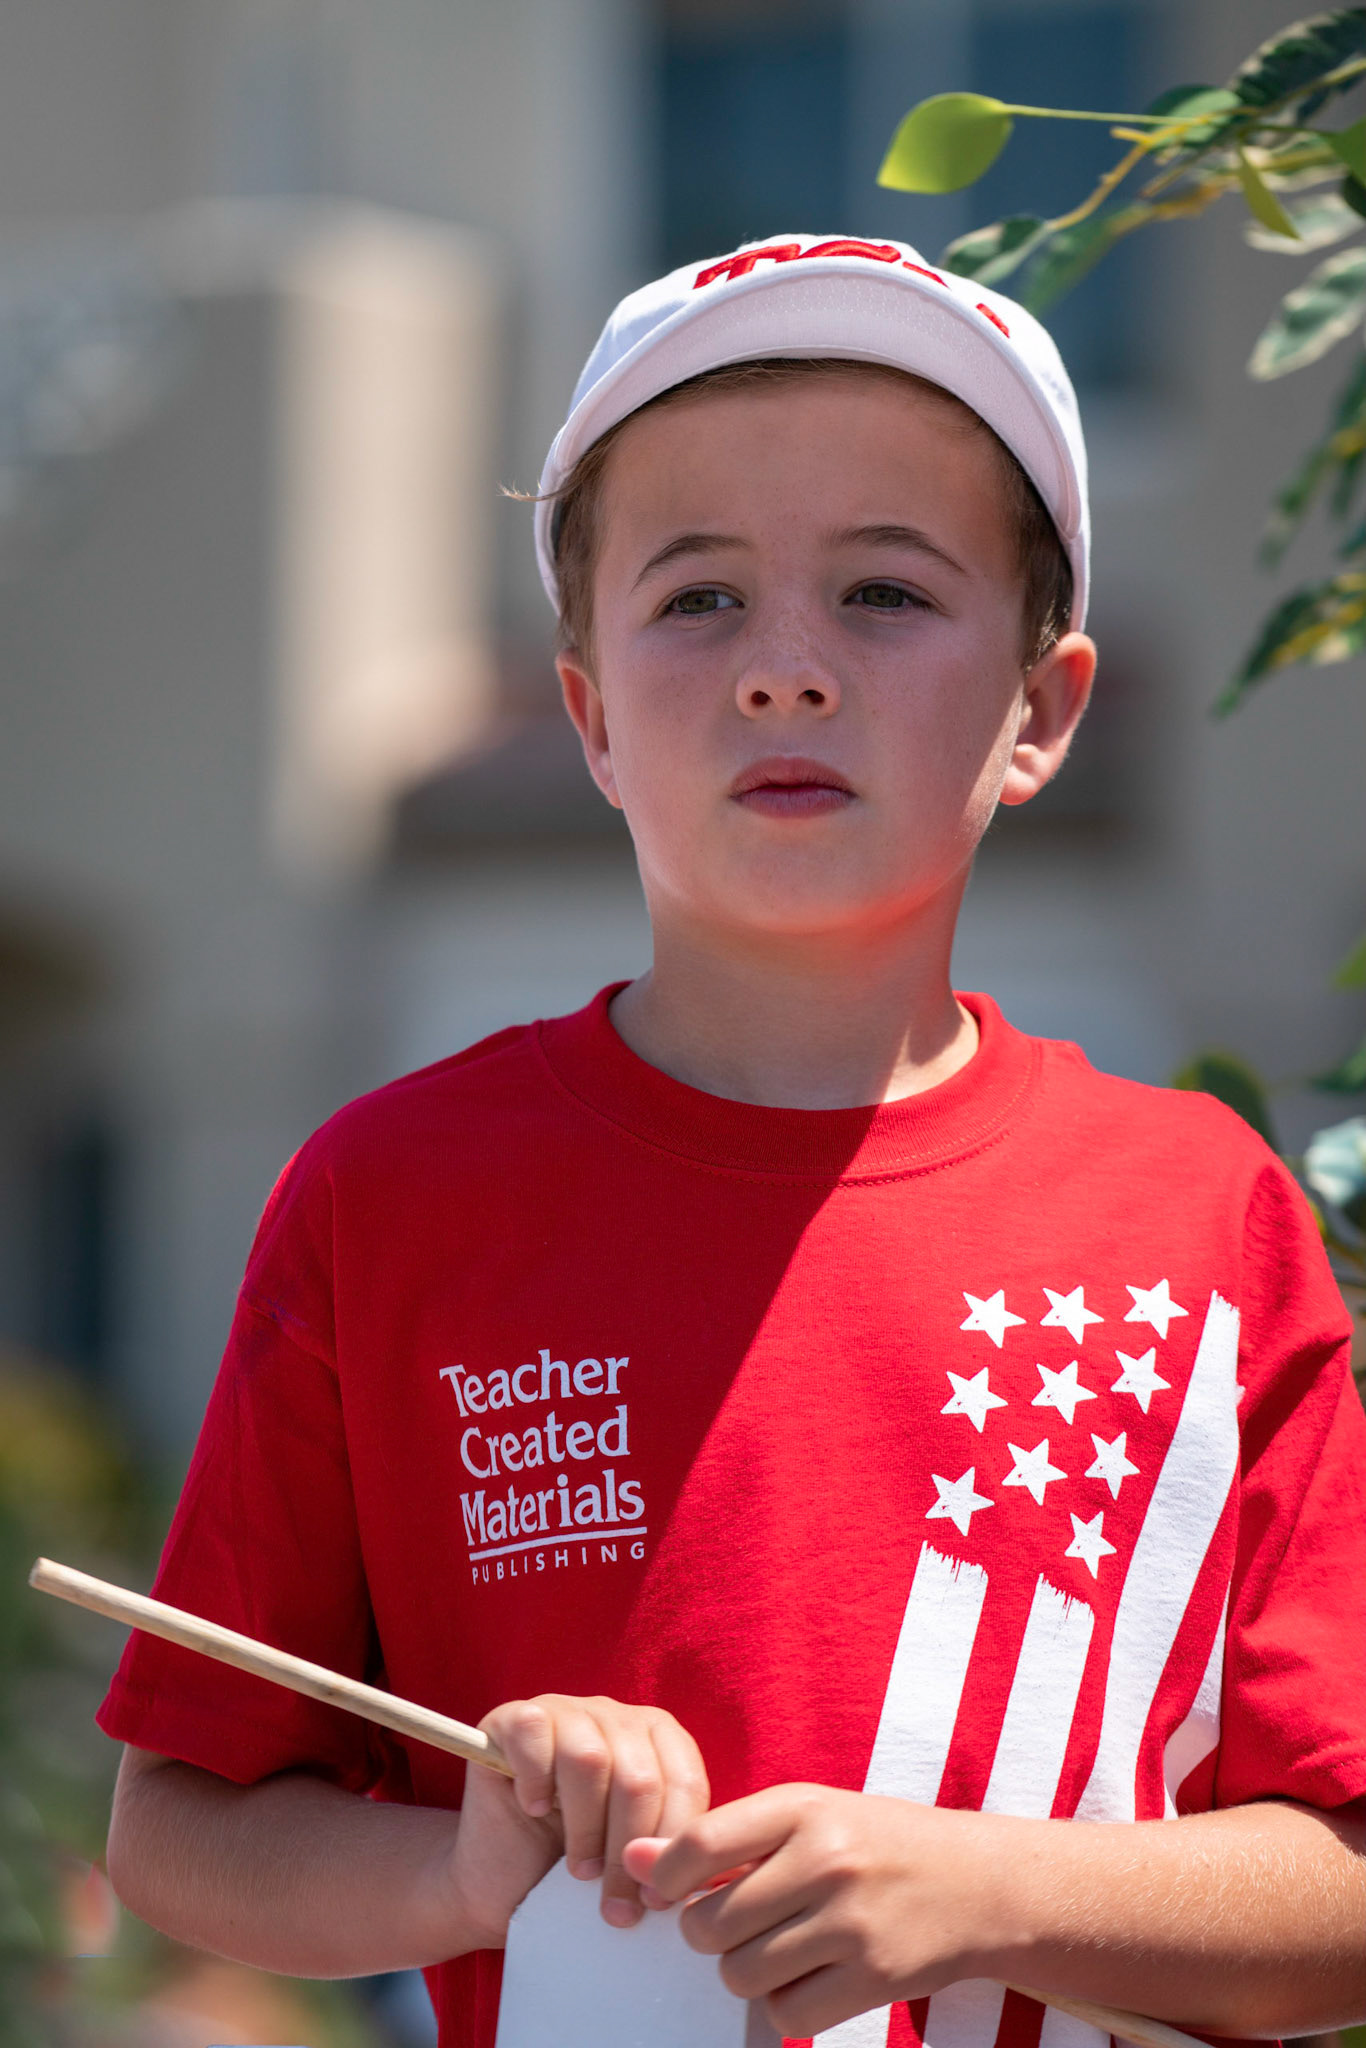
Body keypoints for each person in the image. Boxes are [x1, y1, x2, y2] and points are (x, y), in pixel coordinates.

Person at [98, 233, 1366, 2048]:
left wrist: (982, 1892)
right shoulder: (389, 1200)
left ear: (1042, 710)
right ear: (592, 712)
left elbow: (1344, 1881)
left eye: (883, 593)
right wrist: (463, 1874)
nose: (783, 667)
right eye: (696, 599)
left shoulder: (1199, 1211)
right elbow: (179, 1831)